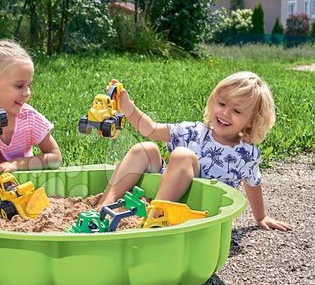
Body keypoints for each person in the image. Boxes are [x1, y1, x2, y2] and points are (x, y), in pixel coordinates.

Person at [97, 72, 292, 231]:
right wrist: (127, 107)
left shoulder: (246, 154)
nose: (225, 113)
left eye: (237, 111)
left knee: (183, 156)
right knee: (144, 149)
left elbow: (253, 184)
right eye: (222, 104)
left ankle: (154, 219)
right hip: (165, 193)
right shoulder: (194, 131)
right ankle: (104, 206)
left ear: (252, 120)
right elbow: (151, 129)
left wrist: (261, 216)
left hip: (198, 211)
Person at [0, 39, 62, 177]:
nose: (28, 93)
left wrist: (16, 164)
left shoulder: (29, 117)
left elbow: (55, 158)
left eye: (28, 85)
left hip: (23, 177)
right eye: (19, 86)